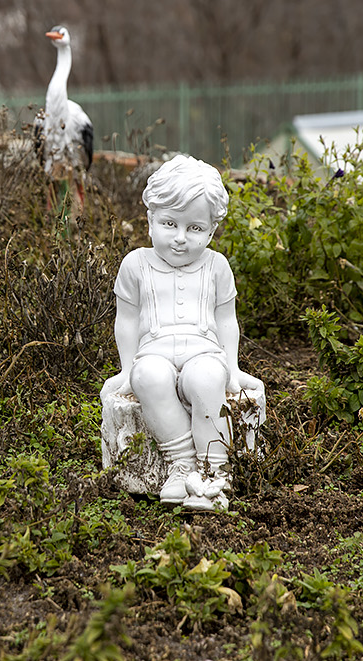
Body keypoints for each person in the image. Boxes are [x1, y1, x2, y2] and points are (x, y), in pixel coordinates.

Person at [106, 154, 265, 509]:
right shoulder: (135, 265)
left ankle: (213, 472)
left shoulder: (216, 266)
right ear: (149, 221)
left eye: (194, 229)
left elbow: (227, 320)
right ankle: (181, 462)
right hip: (155, 351)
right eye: (169, 224)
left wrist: (233, 368)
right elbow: (127, 320)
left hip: (203, 351)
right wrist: (127, 368)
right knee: (147, 377)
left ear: (211, 230)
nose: (180, 239)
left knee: (206, 378)